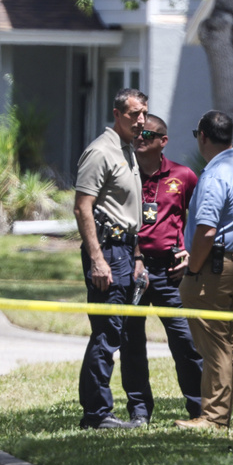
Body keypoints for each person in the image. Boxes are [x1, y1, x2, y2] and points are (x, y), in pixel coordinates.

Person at [120, 114, 203, 423]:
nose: (140, 138)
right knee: (131, 344)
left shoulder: (183, 176)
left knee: (185, 341)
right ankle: (139, 411)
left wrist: (192, 254)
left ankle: (198, 407)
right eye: (137, 133)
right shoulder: (124, 175)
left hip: (171, 272)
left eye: (148, 134)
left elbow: (202, 218)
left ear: (162, 141)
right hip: (133, 271)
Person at [73, 88, 147, 430]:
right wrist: (98, 259)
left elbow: (128, 214)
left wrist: (136, 257)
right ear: (117, 114)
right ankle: (97, 412)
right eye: (134, 115)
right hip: (107, 252)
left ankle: (97, 408)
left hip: (124, 251)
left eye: (144, 114)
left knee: (113, 331)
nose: (141, 121)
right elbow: (82, 206)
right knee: (106, 332)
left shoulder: (127, 151)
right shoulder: (101, 151)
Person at [176, 111, 233, 431]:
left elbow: (206, 230)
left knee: (215, 348)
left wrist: (193, 268)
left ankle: (214, 417)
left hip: (213, 270)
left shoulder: (214, 174)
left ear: (203, 137)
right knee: (222, 345)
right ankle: (216, 411)